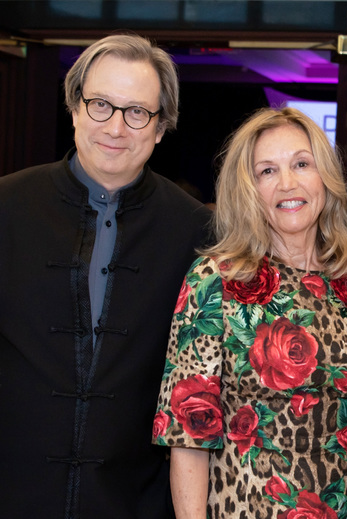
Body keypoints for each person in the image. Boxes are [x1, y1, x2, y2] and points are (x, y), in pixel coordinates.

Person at [0, 34, 213, 518]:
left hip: (133, 499)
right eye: (100, 105)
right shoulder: (7, 207)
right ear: (74, 107)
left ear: (161, 128)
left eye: (137, 112)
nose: (116, 127)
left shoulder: (198, 233)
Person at [152, 107, 347, 519]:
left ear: (326, 178)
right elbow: (188, 435)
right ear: (248, 188)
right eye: (267, 171)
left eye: (301, 164)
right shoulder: (216, 280)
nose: (288, 183)